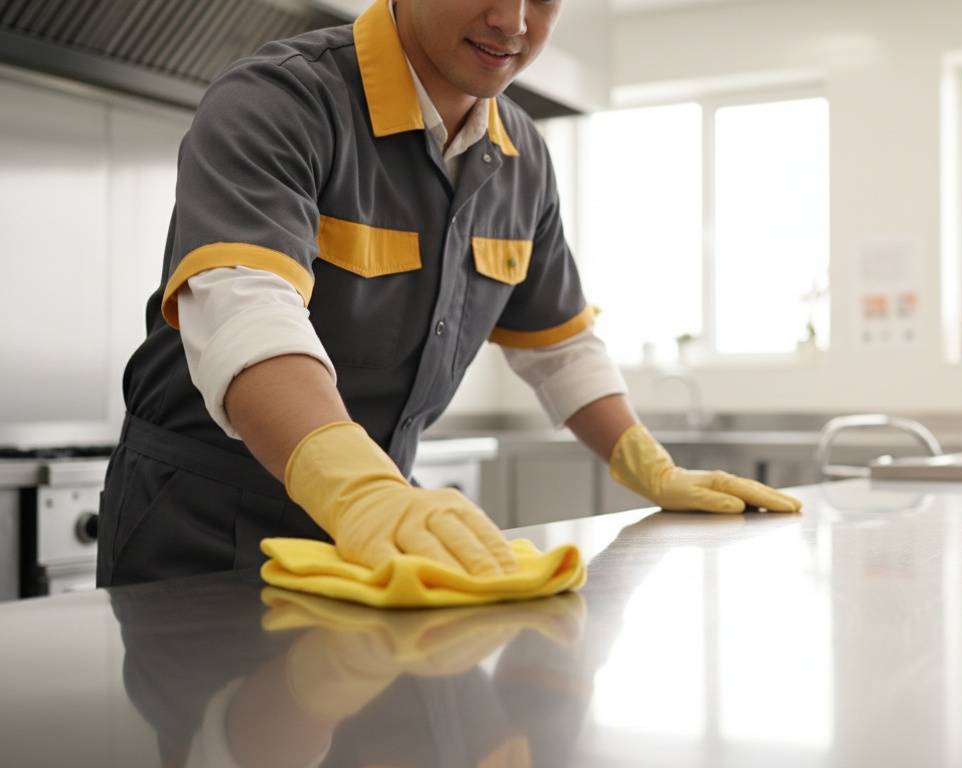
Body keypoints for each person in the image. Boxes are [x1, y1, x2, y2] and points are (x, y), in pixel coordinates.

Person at [96, 0, 801, 588]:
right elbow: (243, 312)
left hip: (384, 531)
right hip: (203, 524)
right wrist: (362, 492)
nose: (512, 20)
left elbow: (560, 347)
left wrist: (650, 465)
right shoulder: (280, 101)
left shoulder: (522, 155)